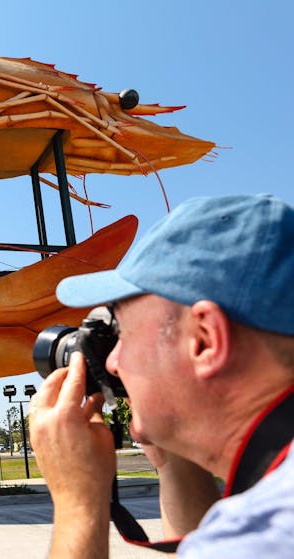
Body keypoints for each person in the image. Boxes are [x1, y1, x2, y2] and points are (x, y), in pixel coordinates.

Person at [28, 194, 294, 558]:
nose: (112, 362)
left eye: (123, 331)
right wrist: (173, 463)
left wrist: (78, 501)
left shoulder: (263, 534)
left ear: (204, 340)